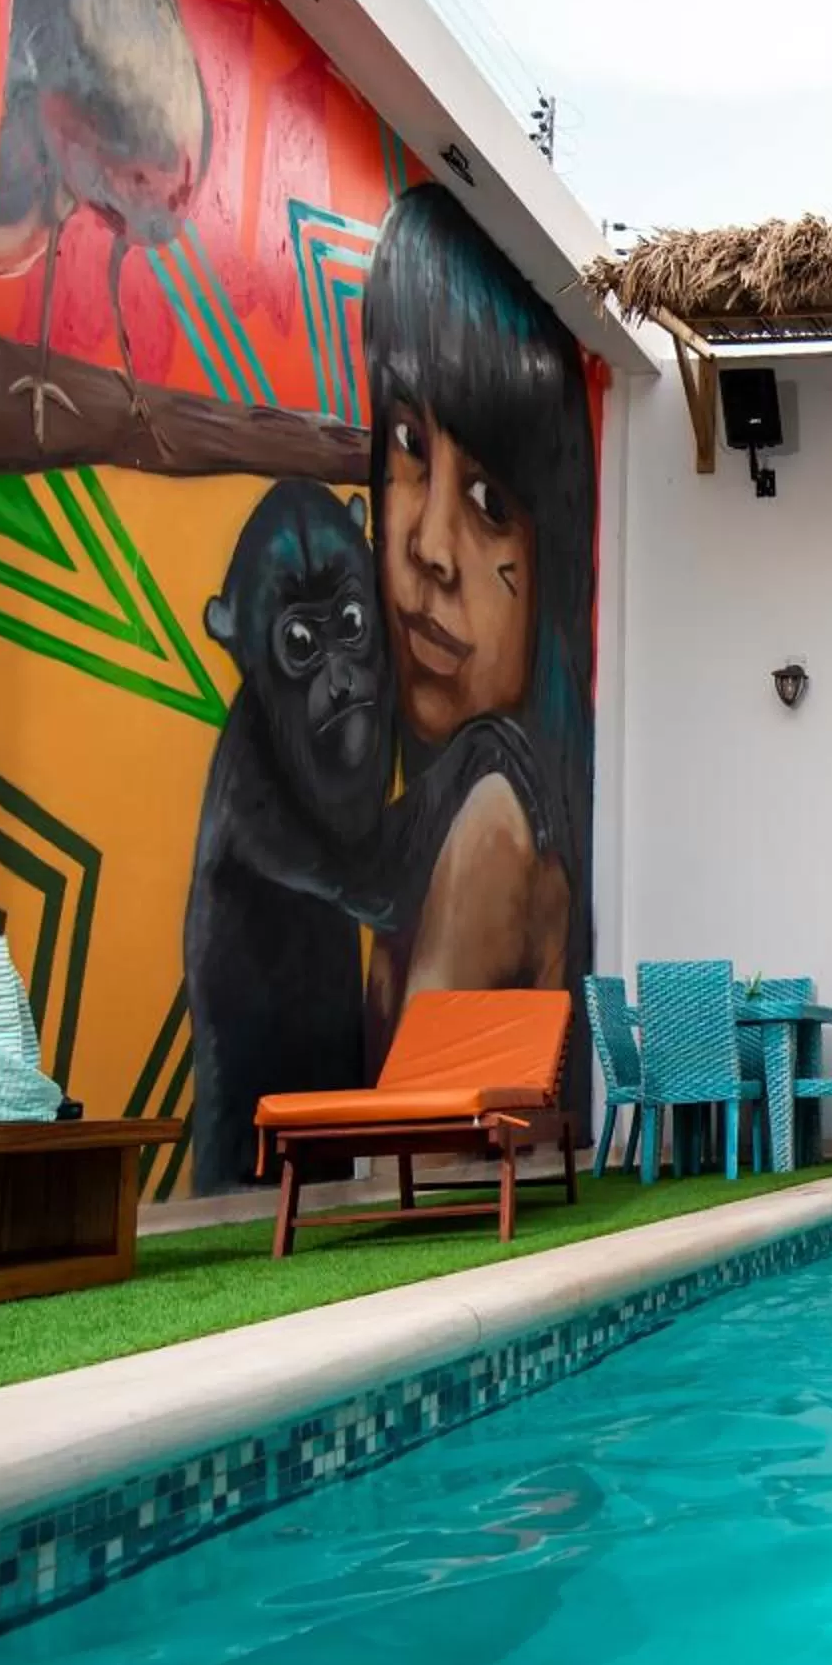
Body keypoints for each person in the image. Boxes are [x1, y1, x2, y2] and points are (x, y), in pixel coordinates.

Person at [356, 183, 597, 1064]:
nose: (430, 548)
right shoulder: (439, 802)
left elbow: (408, 1130)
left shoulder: (494, 821)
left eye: (491, 502)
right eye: (412, 447)